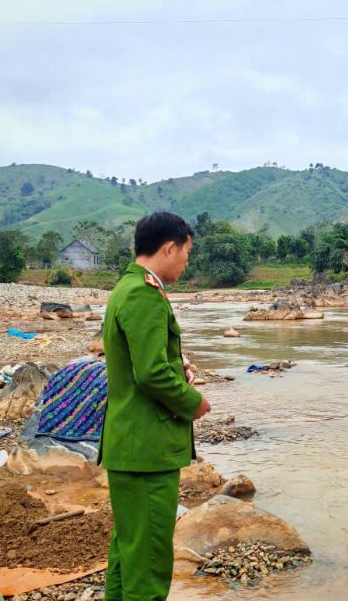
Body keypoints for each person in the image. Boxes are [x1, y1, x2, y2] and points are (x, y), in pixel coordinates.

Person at [100, 212, 211, 601]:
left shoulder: (128, 288)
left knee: (128, 551)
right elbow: (149, 375)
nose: (186, 262)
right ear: (169, 247)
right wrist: (193, 402)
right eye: (186, 253)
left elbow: (143, 361)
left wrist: (176, 363)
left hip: (131, 447)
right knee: (148, 562)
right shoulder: (144, 294)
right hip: (147, 450)